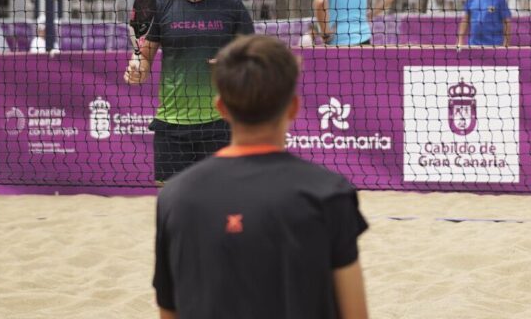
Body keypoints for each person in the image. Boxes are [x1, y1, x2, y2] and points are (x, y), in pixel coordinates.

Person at [154, 35, 370, 319]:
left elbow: (169, 311)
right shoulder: (329, 193)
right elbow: (355, 314)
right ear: (293, 107)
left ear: (221, 108)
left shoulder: (175, 196)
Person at [123, 0, 255, 183]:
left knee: (218, 207)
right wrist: (136, 68)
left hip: (219, 124)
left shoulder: (232, 7)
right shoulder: (163, 6)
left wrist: (233, 64)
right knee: (172, 207)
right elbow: (145, 58)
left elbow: (254, 60)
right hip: (171, 127)